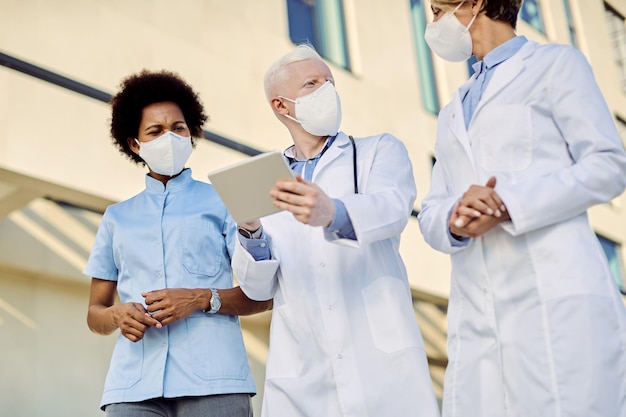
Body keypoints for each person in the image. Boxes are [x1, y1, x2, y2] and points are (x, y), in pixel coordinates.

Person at [418, 1, 626, 416]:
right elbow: (431, 209)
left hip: (554, 296)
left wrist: (509, 204)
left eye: (440, 10)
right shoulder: (451, 109)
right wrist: (455, 218)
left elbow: (608, 165)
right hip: (479, 309)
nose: (434, 23)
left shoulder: (555, 64)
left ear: (475, 5)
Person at [230, 44, 441, 417]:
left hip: (380, 362)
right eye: (312, 83)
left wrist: (334, 212)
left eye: (329, 81)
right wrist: (250, 232)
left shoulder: (377, 151)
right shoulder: (265, 178)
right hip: (303, 368)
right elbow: (257, 289)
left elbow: (392, 210)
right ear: (281, 106)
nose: (327, 91)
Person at [84, 69, 272, 417]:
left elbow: (262, 295)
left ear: (192, 133)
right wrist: (117, 315)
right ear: (134, 144)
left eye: (178, 128)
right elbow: (95, 313)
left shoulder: (227, 202)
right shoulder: (116, 218)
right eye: (155, 131)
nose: (169, 137)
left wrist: (201, 298)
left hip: (215, 381)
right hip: (133, 386)